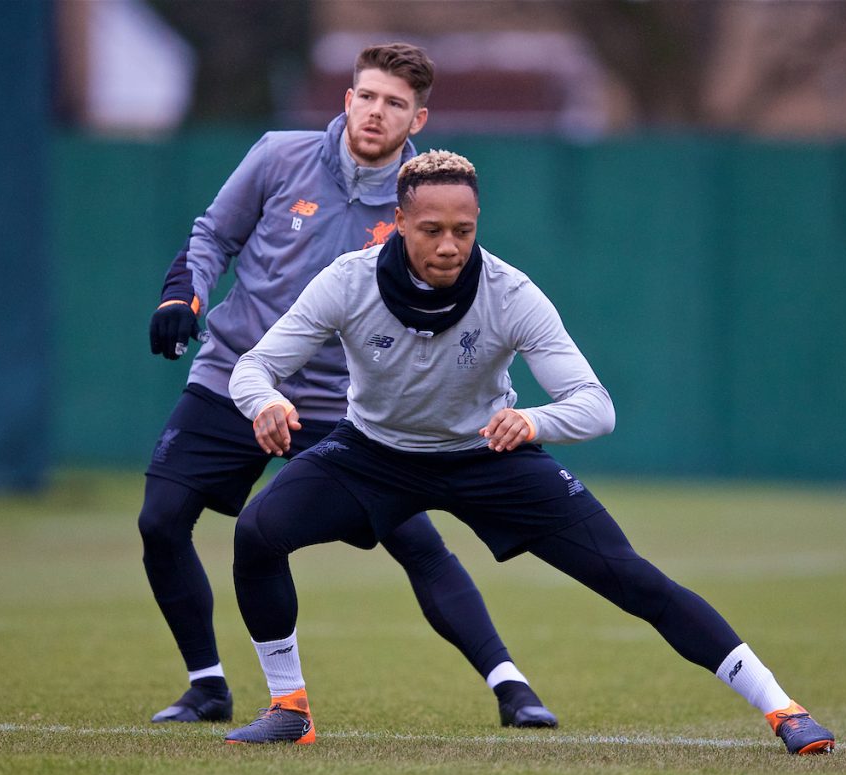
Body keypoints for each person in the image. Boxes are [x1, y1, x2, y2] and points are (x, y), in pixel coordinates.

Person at [224, 149, 836, 755]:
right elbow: (254, 368)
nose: (448, 246)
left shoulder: (510, 292)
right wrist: (265, 404)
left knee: (632, 578)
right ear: (400, 222)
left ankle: (785, 709)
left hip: (486, 452)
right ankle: (290, 709)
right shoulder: (346, 281)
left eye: (463, 231)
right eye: (432, 230)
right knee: (257, 531)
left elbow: (595, 405)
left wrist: (532, 420)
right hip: (373, 454)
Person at [141, 43, 556, 731]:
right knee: (160, 520)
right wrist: (182, 295)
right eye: (367, 96)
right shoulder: (278, 155)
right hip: (236, 375)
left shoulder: (421, 199)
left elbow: (449, 295)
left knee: (414, 539)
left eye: (394, 103)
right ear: (347, 100)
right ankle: (207, 684)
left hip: (346, 404)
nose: (376, 111)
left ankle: (512, 686)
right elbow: (213, 233)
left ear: (417, 116)